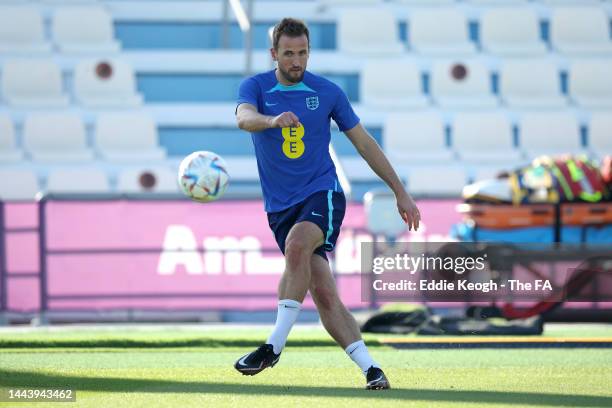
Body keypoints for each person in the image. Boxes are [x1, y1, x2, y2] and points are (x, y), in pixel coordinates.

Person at [233, 17, 420, 390]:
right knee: (323, 292)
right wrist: (272, 121)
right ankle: (371, 369)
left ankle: (273, 346)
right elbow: (244, 118)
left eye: (302, 52)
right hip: (280, 207)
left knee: (297, 245)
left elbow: (364, 143)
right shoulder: (255, 87)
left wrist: (399, 190)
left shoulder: (328, 92)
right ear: (274, 54)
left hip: (323, 193)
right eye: (288, 53)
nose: (296, 60)